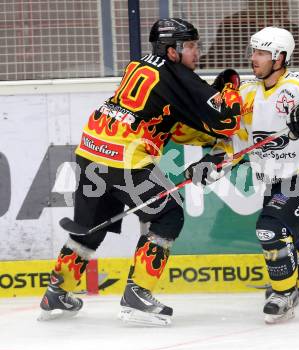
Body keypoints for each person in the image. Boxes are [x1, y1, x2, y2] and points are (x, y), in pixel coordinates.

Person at [38, 18, 242, 326]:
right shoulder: (177, 76)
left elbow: (165, 119)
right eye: (190, 46)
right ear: (171, 51)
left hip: (92, 149)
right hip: (125, 159)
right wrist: (229, 86)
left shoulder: (140, 65)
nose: (196, 53)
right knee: (167, 215)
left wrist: (207, 136)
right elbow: (227, 120)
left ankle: (57, 291)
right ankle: (137, 294)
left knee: (89, 227)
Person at [186, 26, 299, 324]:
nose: (254, 58)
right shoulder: (247, 93)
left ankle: (284, 293)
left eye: (262, 53)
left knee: (270, 229)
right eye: (253, 51)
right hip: (275, 179)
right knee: (287, 231)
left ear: (280, 57)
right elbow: (237, 143)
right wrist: (213, 162)